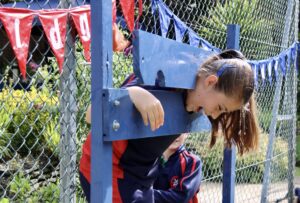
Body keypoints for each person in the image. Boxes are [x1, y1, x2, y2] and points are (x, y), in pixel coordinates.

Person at [79, 49, 260, 202]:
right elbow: (90, 115)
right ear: (210, 82)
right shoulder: (160, 77)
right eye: (220, 108)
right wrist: (133, 93)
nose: (214, 114)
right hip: (109, 170)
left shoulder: (195, 98)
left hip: (142, 176)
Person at [153, 133, 201, 203]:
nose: (175, 135)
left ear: (187, 133)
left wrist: (146, 195)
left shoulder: (192, 161)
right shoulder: (151, 159)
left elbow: (181, 197)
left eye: (180, 131)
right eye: (170, 131)